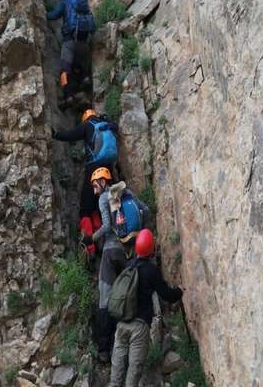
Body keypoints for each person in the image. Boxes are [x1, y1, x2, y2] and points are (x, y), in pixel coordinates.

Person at [90, 167, 149, 363]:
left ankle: (105, 349)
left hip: (109, 252)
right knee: (130, 293)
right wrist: (134, 235)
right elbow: (146, 211)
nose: (93, 189)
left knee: (105, 298)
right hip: (129, 251)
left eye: (95, 184)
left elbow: (106, 226)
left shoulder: (103, 198)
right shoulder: (127, 194)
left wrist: (91, 238)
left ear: (103, 181)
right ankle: (133, 345)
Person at [110, 229, 183, 387]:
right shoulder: (151, 270)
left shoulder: (128, 266)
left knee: (117, 370)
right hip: (139, 327)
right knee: (134, 371)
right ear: (151, 248)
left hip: (121, 324)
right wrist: (180, 291)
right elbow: (167, 295)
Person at [52, 109, 119, 259]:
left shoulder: (86, 125)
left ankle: (90, 248)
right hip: (108, 171)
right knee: (101, 207)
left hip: (93, 172)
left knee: (85, 210)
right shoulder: (106, 124)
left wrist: (55, 134)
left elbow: (70, 135)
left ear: (85, 118)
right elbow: (116, 127)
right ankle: (105, 241)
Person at [46, 0, 96, 102]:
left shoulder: (65, 0)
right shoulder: (82, 0)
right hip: (84, 41)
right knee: (79, 64)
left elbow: (54, 15)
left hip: (69, 41)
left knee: (65, 68)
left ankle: (68, 95)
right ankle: (85, 78)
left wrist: (45, 14)